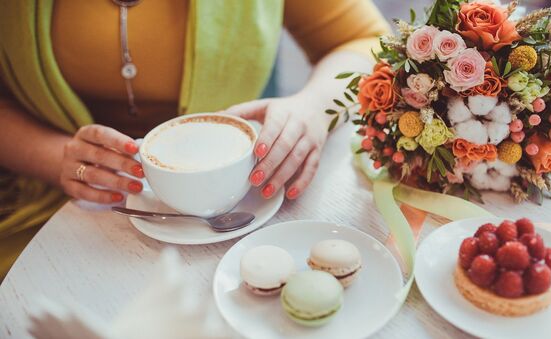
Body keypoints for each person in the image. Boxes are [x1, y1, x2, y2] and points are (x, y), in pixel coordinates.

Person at [0, 0, 389, 278]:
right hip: (59, 206)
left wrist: (313, 106)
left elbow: (366, 40)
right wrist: (54, 157)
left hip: (244, 213)